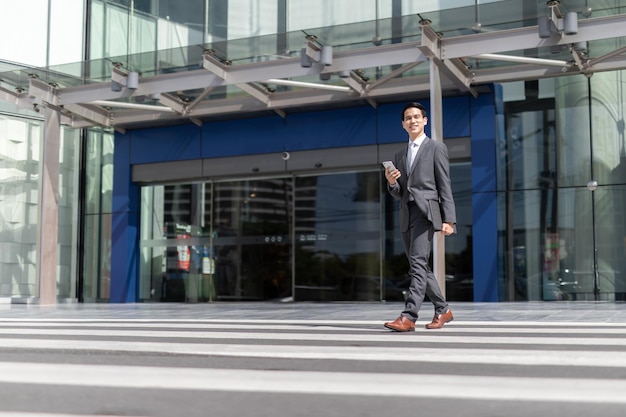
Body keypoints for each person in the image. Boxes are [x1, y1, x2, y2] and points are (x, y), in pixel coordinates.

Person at [383, 102, 456, 331]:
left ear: (425, 121)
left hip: (427, 213)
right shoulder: (400, 154)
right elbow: (399, 192)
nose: (412, 120)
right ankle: (443, 310)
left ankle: (409, 316)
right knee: (420, 266)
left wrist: (449, 219)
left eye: (416, 117)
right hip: (407, 214)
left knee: (417, 264)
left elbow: (445, 185)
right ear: (403, 125)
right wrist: (392, 181)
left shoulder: (436, 148)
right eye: (408, 118)